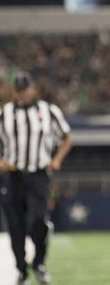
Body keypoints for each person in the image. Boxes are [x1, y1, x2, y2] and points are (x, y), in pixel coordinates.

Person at [0, 72, 73, 285]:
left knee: (38, 220)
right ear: (15, 92)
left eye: (26, 89)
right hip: (13, 176)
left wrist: (57, 159)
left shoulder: (48, 111)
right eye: (19, 90)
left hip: (39, 175)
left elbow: (67, 136)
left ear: (33, 89)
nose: (23, 94)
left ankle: (39, 264)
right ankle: (22, 270)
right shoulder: (6, 113)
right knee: (16, 226)